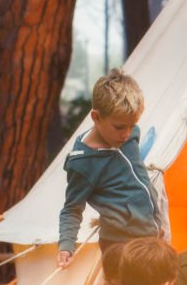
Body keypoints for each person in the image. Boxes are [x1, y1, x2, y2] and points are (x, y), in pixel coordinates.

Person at [57, 69, 162, 268]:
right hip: (120, 245)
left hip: (151, 232)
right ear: (96, 117)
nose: (127, 134)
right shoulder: (82, 164)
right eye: (120, 127)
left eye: (132, 125)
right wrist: (66, 245)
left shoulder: (130, 132)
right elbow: (72, 209)